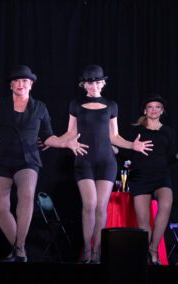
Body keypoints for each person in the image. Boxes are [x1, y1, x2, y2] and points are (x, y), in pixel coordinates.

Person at [0, 65, 88, 262]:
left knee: (27, 196)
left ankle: (19, 249)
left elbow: (47, 137)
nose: (21, 84)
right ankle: (19, 250)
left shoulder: (39, 107)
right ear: (11, 85)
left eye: (25, 81)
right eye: (18, 81)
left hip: (27, 160)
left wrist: (65, 142)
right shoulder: (0, 105)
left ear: (31, 85)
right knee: (0, 208)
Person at [63, 65, 153, 263]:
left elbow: (114, 136)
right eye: (89, 82)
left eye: (96, 82)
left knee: (101, 207)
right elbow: (70, 133)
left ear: (103, 83)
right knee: (90, 204)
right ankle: (87, 250)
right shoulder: (76, 104)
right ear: (83, 84)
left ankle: (98, 253)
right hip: (84, 159)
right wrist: (53, 139)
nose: (93, 86)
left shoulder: (111, 105)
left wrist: (132, 145)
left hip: (106, 161)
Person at [127, 95, 176, 265]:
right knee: (143, 221)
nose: (154, 110)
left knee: (166, 204)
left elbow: (171, 157)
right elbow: (127, 151)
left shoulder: (168, 132)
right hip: (140, 177)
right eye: (150, 106)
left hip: (161, 176)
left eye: (157, 107)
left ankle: (153, 249)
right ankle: (146, 257)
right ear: (145, 110)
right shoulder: (135, 130)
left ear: (162, 111)